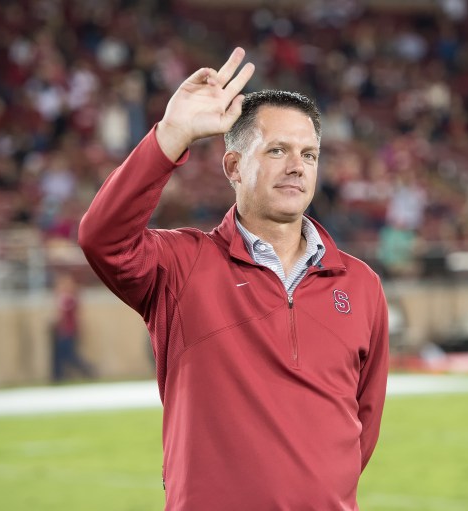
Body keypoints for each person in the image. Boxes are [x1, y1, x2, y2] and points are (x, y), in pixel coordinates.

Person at [78, 48, 390, 510]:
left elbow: (362, 424)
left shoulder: (361, 283)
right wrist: (171, 137)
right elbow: (102, 238)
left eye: (309, 153)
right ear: (233, 167)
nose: (296, 166)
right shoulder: (180, 266)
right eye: (277, 150)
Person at [51, 271, 93, 382]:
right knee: (64, 355)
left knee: (70, 355)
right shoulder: (64, 298)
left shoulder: (70, 298)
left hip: (68, 330)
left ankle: (88, 370)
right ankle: (61, 376)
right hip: (63, 330)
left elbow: (67, 315)